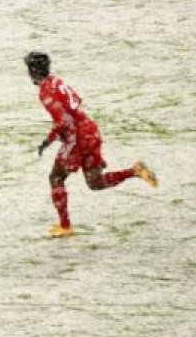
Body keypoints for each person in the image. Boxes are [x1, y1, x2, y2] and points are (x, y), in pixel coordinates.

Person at [24, 51, 158, 238]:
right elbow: (77, 101)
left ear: (32, 71)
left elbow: (63, 121)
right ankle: (134, 171)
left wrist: (48, 140)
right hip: (90, 130)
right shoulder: (58, 82)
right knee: (94, 183)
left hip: (77, 137)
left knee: (56, 178)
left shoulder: (45, 92)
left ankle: (65, 226)